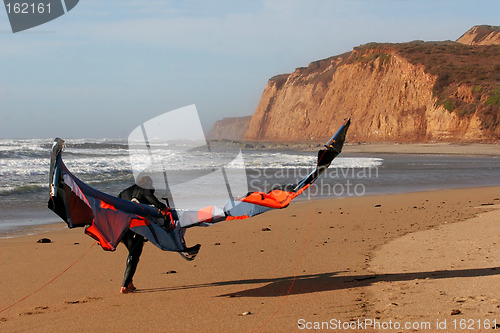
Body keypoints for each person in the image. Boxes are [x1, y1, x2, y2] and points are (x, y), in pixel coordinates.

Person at [118, 175, 167, 294]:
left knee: (132, 253)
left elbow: (116, 207)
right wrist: (163, 207)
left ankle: (129, 282)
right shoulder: (145, 189)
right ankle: (125, 286)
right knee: (134, 255)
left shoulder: (124, 192)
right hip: (136, 228)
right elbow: (150, 198)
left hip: (122, 227)